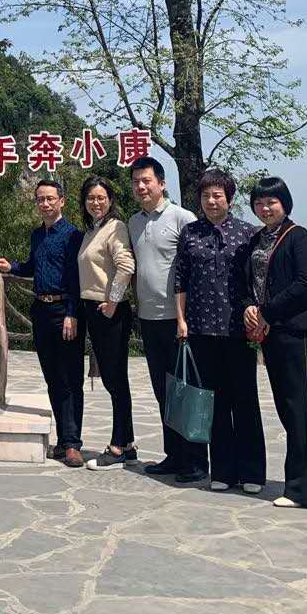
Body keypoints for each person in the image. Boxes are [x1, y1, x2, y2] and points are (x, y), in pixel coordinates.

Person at [174, 169, 266, 494]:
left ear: (229, 198)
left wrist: (259, 315)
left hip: (238, 329)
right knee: (214, 402)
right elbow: (180, 279)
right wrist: (181, 320)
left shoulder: (247, 233)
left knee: (245, 400)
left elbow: (257, 280)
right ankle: (223, 471)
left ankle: (252, 472)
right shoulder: (190, 233)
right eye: (206, 196)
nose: (211, 201)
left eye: (218, 195)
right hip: (201, 329)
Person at [243, 175, 307, 509]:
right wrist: (250, 308)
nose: (265, 208)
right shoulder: (258, 239)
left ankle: (303, 491)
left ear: (285, 203)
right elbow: (250, 282)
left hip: (296, 332)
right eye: (259, 203)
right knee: (287, 407)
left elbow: (304, 283)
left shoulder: (299, 237)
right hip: (272, 333)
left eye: (271, 202)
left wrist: (266, 311)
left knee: (298, 408)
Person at [127, 157, 205, 483]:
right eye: (136, 182)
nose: (141, 187)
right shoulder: (134, 222)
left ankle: (196, 462)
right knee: (163, 390)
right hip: (149, 318)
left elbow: (195, 268)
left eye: (146, 180)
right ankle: (174, 455)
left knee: (184, 390)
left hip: (177, 319)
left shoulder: (182, 218)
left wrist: (187, 317)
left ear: (161, 183)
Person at [0, 180, 84, 468]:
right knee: (53, 378)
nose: (44, 204)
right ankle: (63, 439)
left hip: (64, 311)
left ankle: (73, 443)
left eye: (50, 199)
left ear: (62, 201)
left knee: (70, 378)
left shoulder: (73, 236)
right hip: (41, 311)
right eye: (40, 199)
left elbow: (76, 278)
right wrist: (12, 267)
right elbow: (33, 267)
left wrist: (72, 312)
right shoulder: (37, 235)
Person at [64, 176, 136, 468]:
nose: (96, 202)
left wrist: (113, 301)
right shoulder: (91, 231)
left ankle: (118, 446)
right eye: (91, 198)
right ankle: (127, 443)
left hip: (109, 311)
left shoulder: (115, 227)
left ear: (110, 200)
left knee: (114, 379)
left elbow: (126, 265)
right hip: (92, 310)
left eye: (101, 197)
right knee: (113, 378)